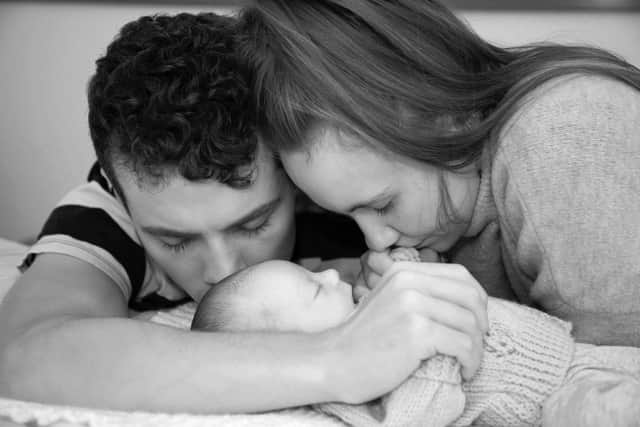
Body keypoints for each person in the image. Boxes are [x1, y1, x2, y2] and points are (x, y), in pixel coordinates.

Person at [0, 12, 488, 413]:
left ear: (295, 174)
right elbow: (22, 357)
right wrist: (340, 359)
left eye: (254, 224)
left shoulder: (336, 186)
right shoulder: (107, 211)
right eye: (174, 241)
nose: (222, 270)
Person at [238, 0, 640, 345]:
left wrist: (468, 317)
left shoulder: (566, 132)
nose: (377, 242)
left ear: (450, 118)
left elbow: (616, 384)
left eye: (383, 205)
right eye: (346, 216)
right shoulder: (446, 201)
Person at [188, 248, 640, 426]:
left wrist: (406, 264)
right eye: (313, 289)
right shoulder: (365, 386)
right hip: (559, 396)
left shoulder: (371, 310)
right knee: (610, 410)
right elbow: (420, 415)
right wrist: (430, 348)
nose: (328, 274)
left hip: (580, 353)